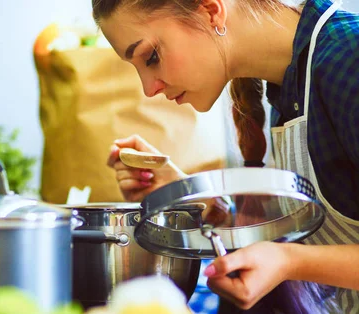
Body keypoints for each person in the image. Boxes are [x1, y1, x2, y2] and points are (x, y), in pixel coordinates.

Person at [95, 0, 359, 312]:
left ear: (210, 10)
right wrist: (199, 200)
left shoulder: (349, 58)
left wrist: (290, 261)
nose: (148, 89)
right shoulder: (287, 87)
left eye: (151, 56)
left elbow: (295, 257)